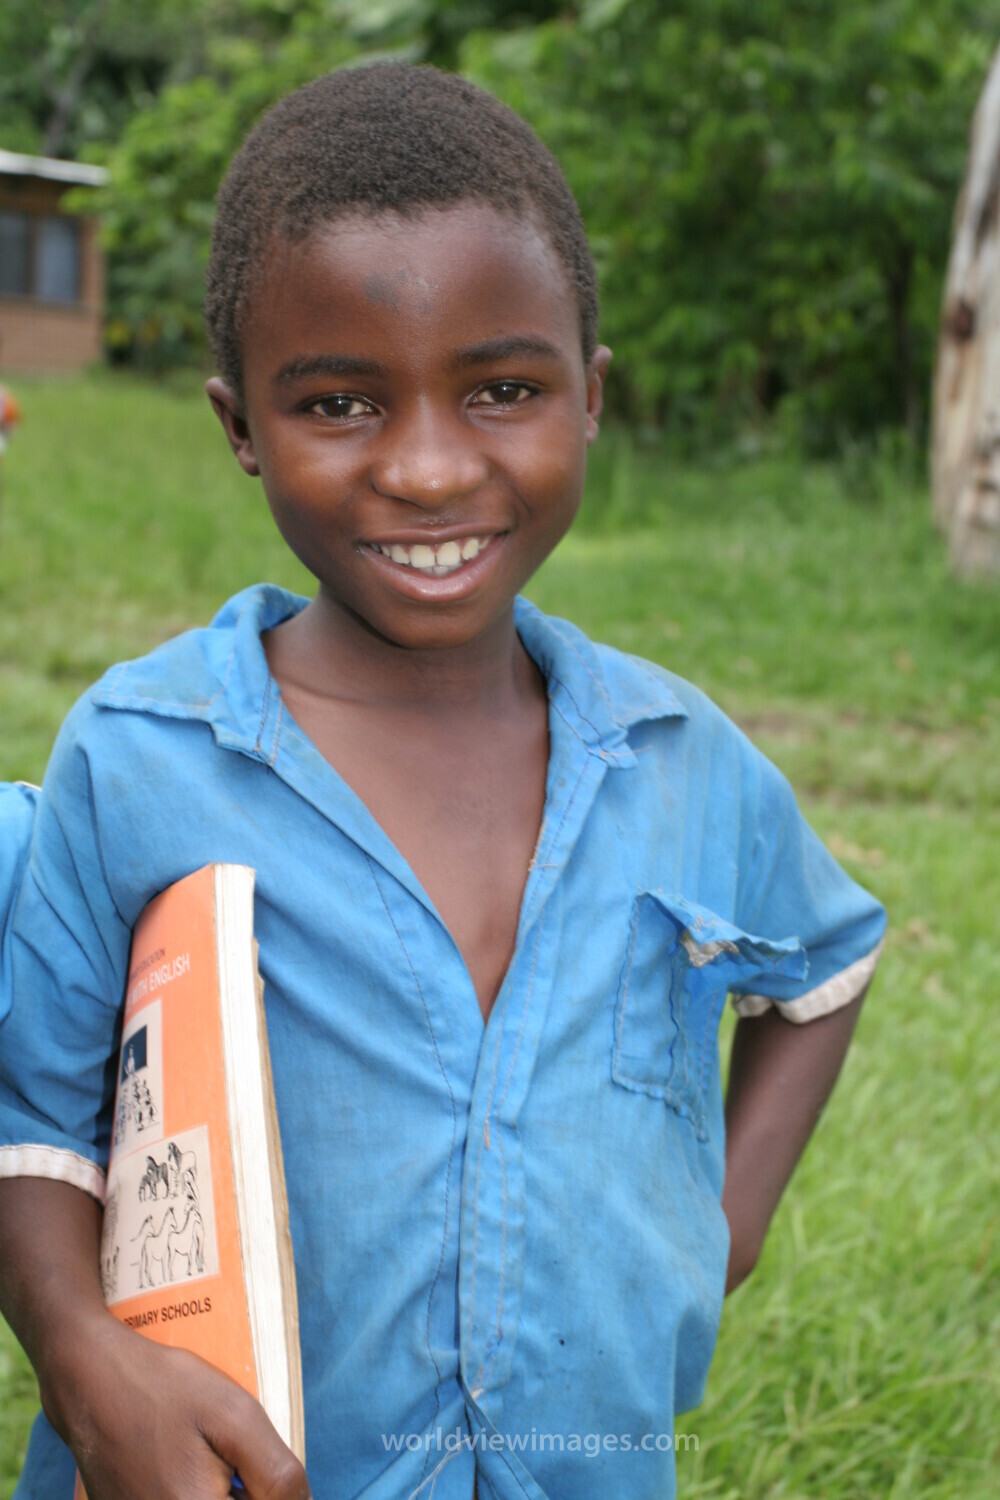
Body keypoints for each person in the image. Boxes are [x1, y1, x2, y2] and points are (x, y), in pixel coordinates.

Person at [0, 62, 886, 1500]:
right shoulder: (139, 755)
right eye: (341, 402)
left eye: (504, 390)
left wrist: (729, 1223)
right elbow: (37, 1128)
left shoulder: (681, 762)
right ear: (240, 428)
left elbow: (826, 965)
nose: (425, 468)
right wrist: (80, 1360)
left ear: (590, 399)